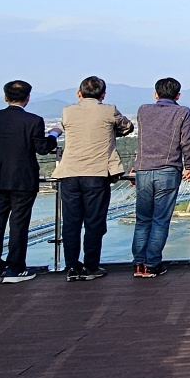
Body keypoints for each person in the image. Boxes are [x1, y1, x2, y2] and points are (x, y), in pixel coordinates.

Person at [51, 76, 134, 281]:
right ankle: (91, 266)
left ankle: (71, 266)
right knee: (94, 222)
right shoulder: (109, 110)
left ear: (79, 93)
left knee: (71, 223)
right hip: (97, 173)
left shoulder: (68, 111)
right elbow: (128, 127)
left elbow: (61, 128)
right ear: (103, 95)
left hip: (69, 173)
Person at [0, 80, 56, 284]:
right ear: (27, 98)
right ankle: (15, 268)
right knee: (19, 222)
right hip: (22, 178)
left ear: (5, 97)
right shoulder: (34, 121)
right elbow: (42, 149)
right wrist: (54, 135)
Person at [130, 78, 190, 278]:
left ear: (155, 94)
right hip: (168, 170)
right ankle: (152, 264)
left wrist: (136, 166)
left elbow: (144, 141)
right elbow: (187, 142)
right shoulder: (182, 112)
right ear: (178, 96)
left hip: (143, 170)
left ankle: (139, 264)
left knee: (142, 220)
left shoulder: (143, 110)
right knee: (160, 220)